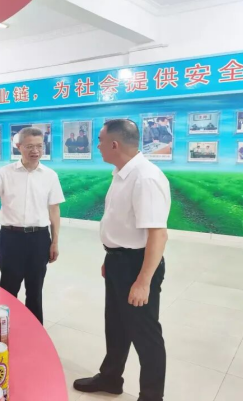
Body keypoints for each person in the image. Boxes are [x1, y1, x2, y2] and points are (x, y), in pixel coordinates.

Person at [74, 119, 170, 401]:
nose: (98, 146)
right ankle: (110, 378)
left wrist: (143, 281)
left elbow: (158, 234)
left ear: (114, 144)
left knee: (145, 334)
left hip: (138, 265)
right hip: (119, 260)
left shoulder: (145, 178)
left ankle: (151, 396)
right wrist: (112, 255)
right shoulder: (121, 173)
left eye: (100, 141)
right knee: (115, 325)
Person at [0, 127, 65, 324]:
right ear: (18, 146)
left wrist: (55, 242)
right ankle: (3, 329)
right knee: (9, 288)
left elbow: (54, 210)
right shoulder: (4, 173)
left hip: (39, 239)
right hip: (11, 239)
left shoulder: (50, 176)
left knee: (35, 290)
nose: (35, 151)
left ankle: (34, 330)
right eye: (30, 146)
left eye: (39, 146)